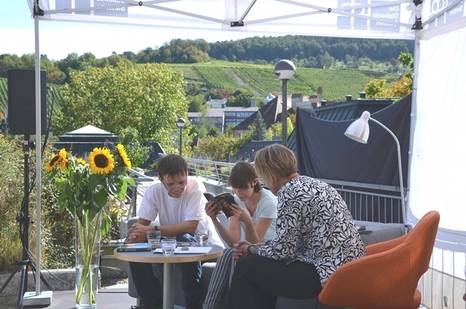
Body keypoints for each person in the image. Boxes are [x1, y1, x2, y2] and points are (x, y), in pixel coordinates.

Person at [227, 144, 365, 309]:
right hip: (350, 267)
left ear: (272, 175)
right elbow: (288, 244)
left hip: (325, 272)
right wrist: (257, 248)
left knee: (246, 266)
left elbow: (283, 250)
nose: (263, 182)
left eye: (262, 175)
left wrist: (250, 249)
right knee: (261, 268)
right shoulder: (318, 184)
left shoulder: (289, 193)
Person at [126, 154, 223, 309]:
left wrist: (151, 229)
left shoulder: (195, 187)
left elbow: (190, 227)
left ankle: (193, 305)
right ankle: (152, 304)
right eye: (170, 184)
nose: (177, 187)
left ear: (187, 175)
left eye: (181, 182)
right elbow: (141, 227)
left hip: (203, 246)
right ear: (161, 179)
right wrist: (134, 236)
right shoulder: (154, 191)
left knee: (184, 237)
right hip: (171, 243)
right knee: (135, 250)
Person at [203, 162, 277, 309]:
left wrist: (248, 223)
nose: (238, 192)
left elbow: (256, 245)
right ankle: (208, 306)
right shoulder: (236, 200)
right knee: (228, 252)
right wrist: (214, 219)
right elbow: (233, 241)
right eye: (235, 188)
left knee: (237, 255)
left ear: (254, 182)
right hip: (248, 250)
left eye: (242, 187)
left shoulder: (268, 202)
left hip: (269, 251)